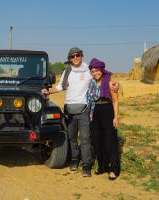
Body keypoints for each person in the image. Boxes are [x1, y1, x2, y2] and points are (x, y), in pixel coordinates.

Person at [42, 47, 93, 176]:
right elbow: (60, 87)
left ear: (82, 56)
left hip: (83, 110)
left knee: (85, 138)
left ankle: (86, 165)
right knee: (71, 138)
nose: (75, 58)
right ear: (69, 58)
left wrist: (114, 85)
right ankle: (74, 160)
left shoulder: (89, 70)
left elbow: (100, 78)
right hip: (69, 110)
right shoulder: (67, 71)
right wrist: (48, 91)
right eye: (72, 56)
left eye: (77, 55)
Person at [86, 58, 120, 180]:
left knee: (109, 141)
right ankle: (102, 166)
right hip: (94, 112)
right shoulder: (91, 83)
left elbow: (115, 101)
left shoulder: (110, 83)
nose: (95, 73)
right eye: (93, 71)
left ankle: (113, 169)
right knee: (97, 140)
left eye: (97, 70)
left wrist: (116, 117)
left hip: (107, 111)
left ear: (101, 70)